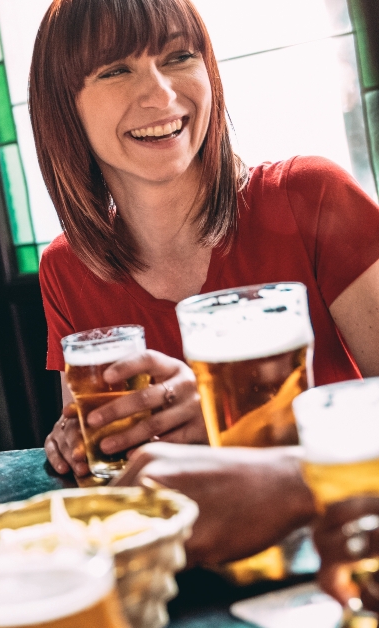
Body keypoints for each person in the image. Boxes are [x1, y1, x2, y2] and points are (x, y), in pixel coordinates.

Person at [29, 0, 379, 476]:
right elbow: (107, 460)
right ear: (63, 108)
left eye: (179, 57)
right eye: (116, 70)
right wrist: (75, 440)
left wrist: (231, 417)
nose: (161, 93)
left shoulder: (313, 195)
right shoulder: (66, 268)